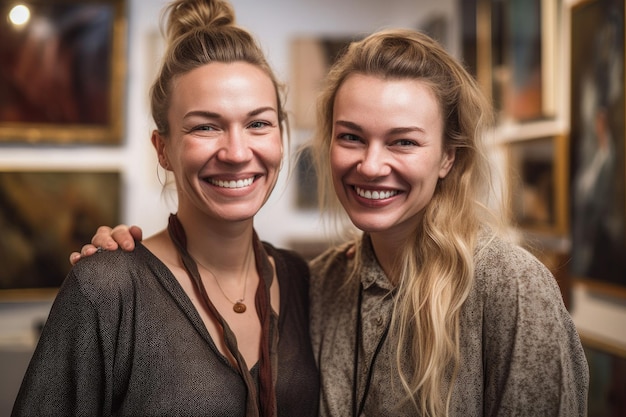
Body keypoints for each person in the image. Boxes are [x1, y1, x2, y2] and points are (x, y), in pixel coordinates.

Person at [72, 29, 588, 416]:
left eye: (403, 141)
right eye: (351, 137)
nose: (370, 164)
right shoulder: (321, 281)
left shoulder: (508, 287)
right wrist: (116, 271)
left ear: (448, 157)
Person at [13, 0, 319, 416]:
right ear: (163, 150)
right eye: (205, 126)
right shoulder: (108, 286)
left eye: (258, 123)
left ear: (280, 137)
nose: (236, 151)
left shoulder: (301, 280)